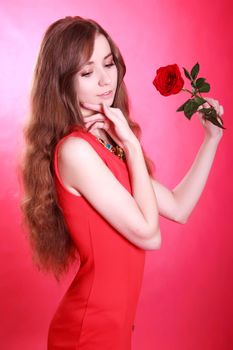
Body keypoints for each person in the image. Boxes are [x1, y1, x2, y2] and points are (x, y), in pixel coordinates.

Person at [20, 16, 224, 350]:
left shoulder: (106, 141)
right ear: (62, 83)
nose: (104, 80)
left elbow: (178, 206)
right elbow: (149, 233)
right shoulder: (76, 151)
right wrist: (130, 144)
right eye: (87, 72)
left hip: (113, 329)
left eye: (109, 63)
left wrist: (210, 140)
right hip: (88, 332)